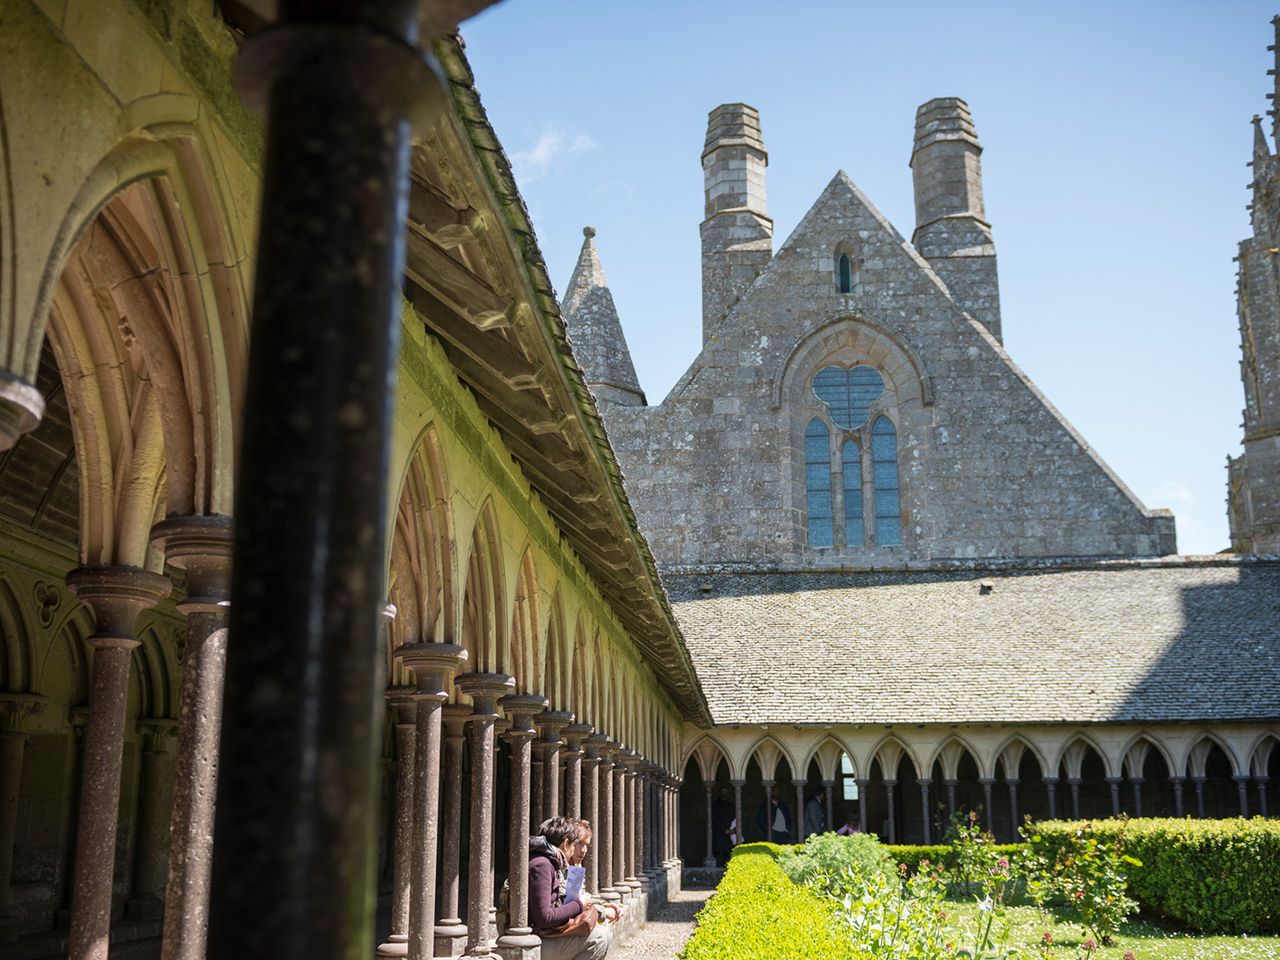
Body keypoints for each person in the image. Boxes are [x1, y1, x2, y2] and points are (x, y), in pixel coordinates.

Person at [529, 817, 610, 960]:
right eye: (577, 844)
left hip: (546, 932)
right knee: (598, 939)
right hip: (535, 940)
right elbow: (545, 917)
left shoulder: (551, 862)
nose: (581, 850)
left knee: (602, 930)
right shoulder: (542, 865)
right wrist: (583, 905)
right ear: (566, 844)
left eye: (587, 845)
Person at [567, 819, 622, 925]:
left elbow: (577, 900)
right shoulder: (561, 867)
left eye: (586, 845)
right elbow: (570, 908)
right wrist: (602, 912)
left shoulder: (576, 865)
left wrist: (603, 905)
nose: (583, 850)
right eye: (579, 843)